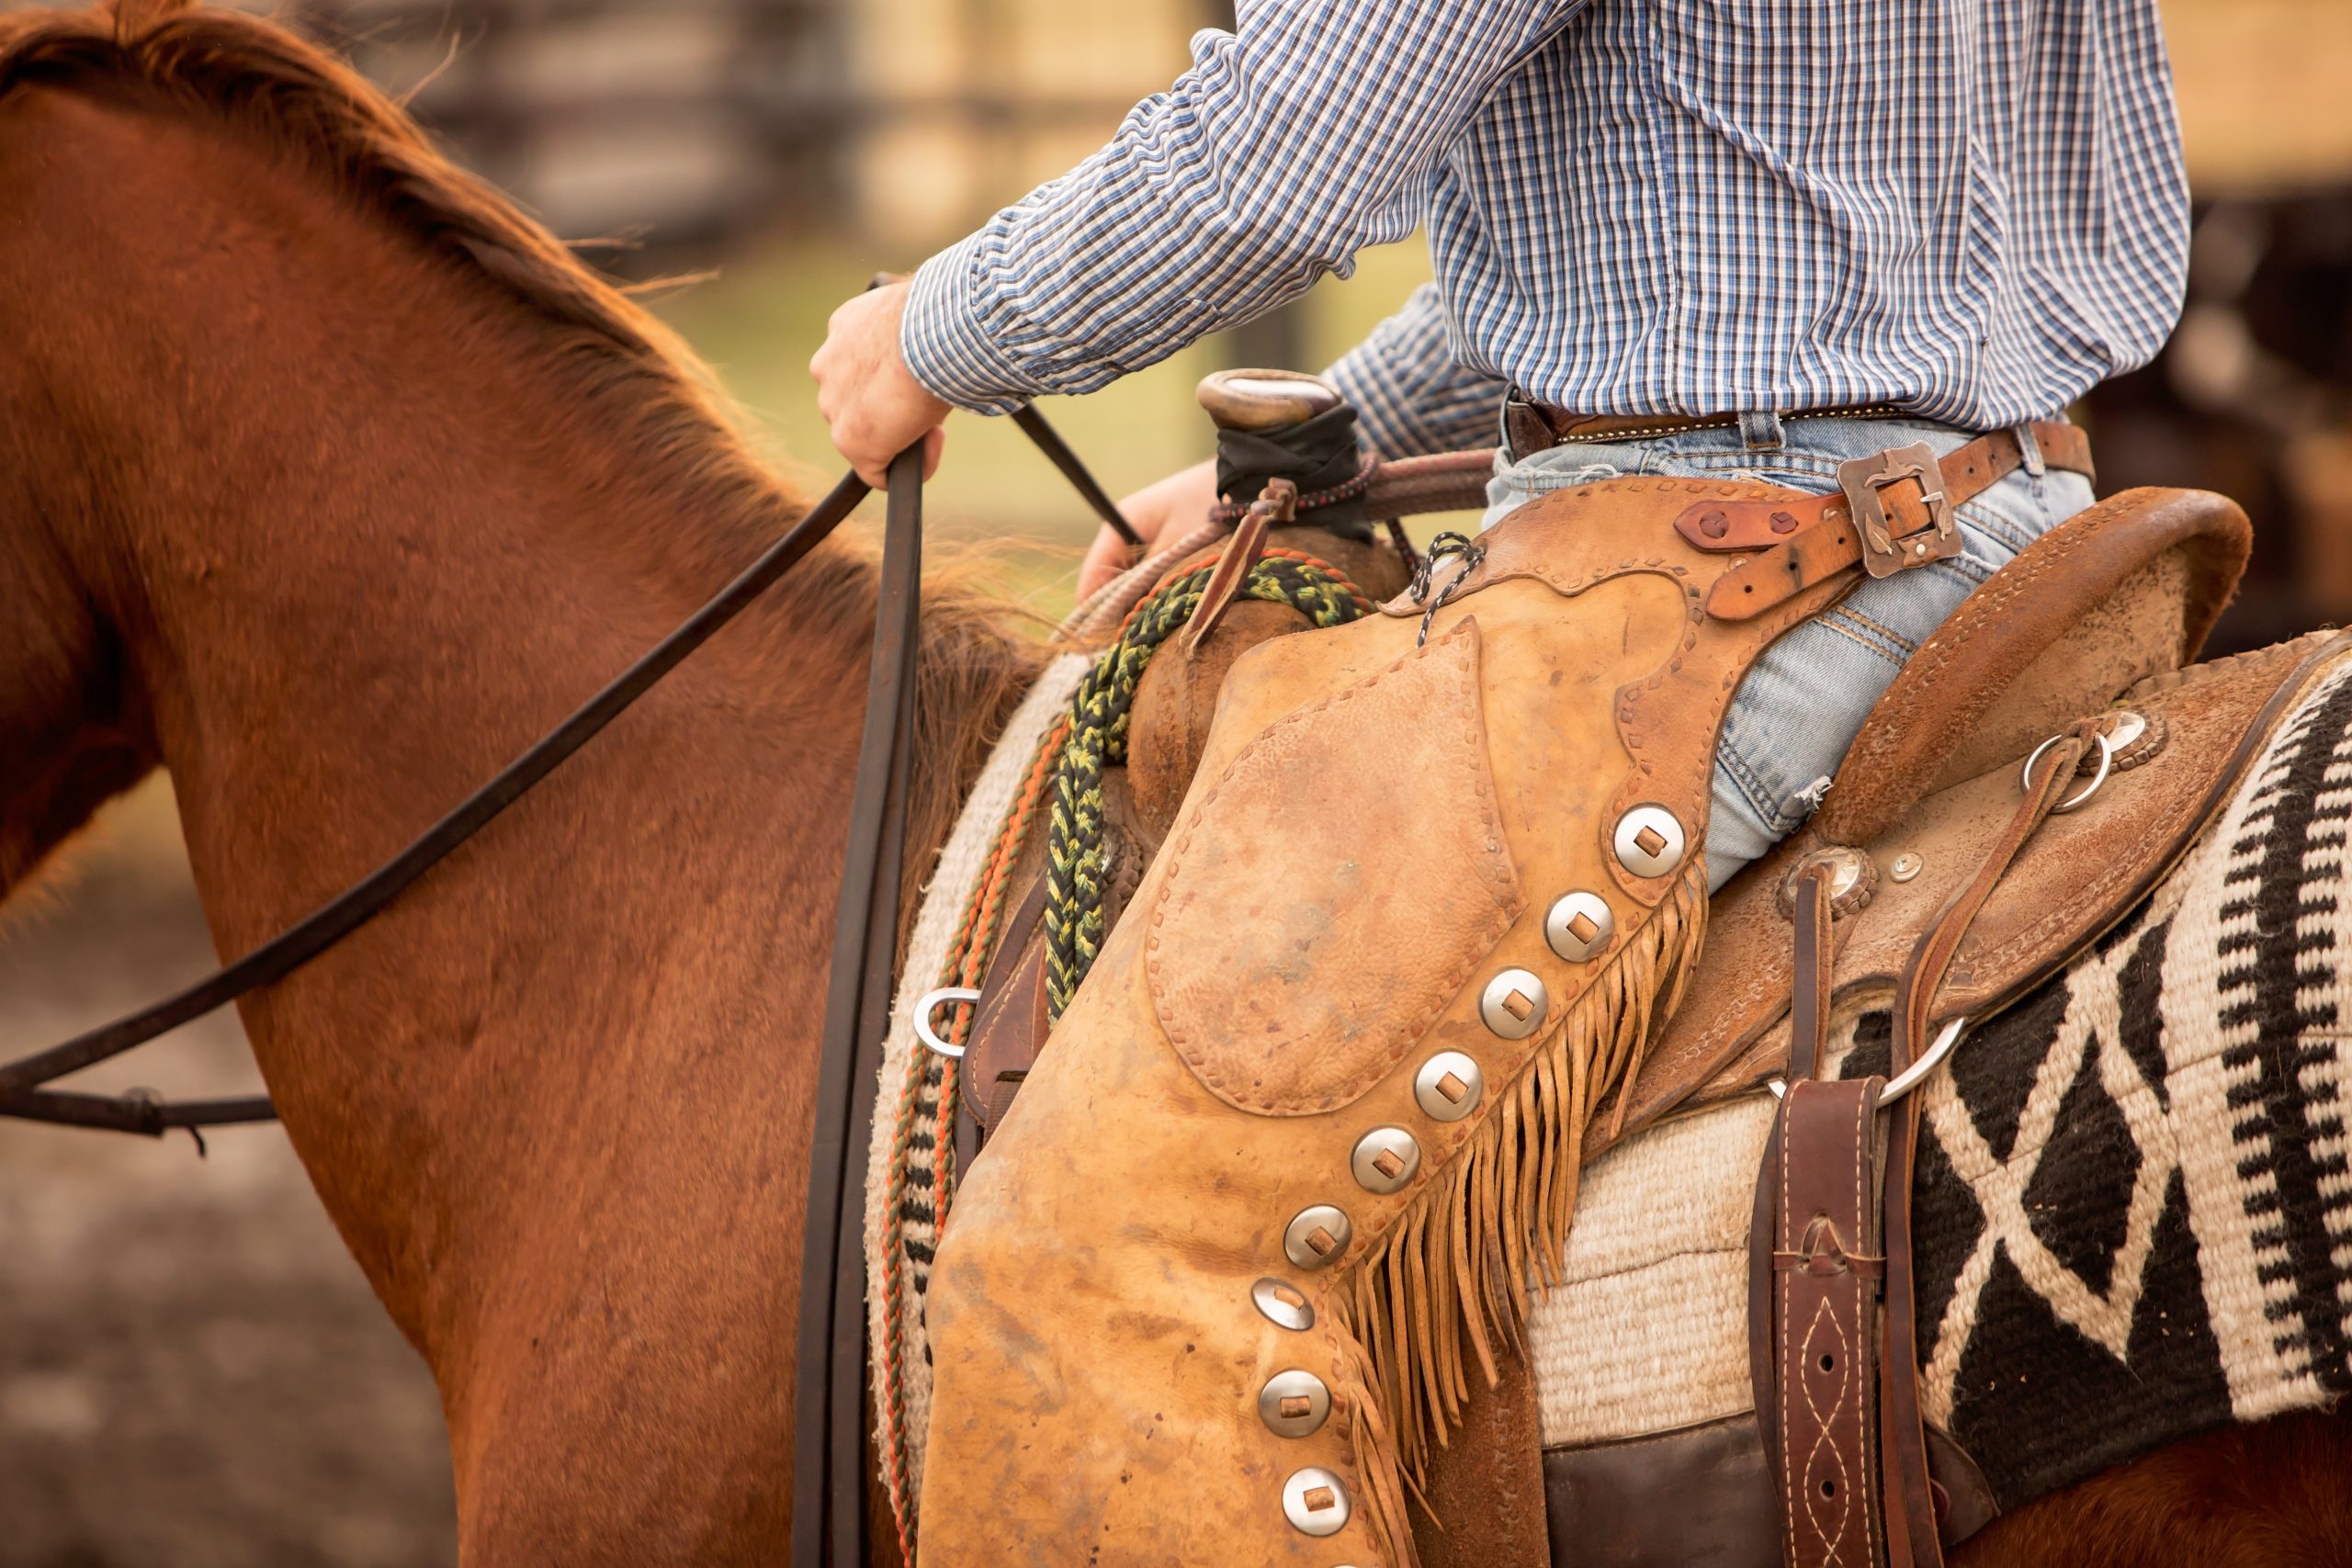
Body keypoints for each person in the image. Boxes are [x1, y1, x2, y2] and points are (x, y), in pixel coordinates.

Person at [809, 0, 2185, 884]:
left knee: (1154, 1153)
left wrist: (931, 334)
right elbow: (1734, 238)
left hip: (1732, 582)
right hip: (2038, 527)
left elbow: (1271, 160)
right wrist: (1344, 429)